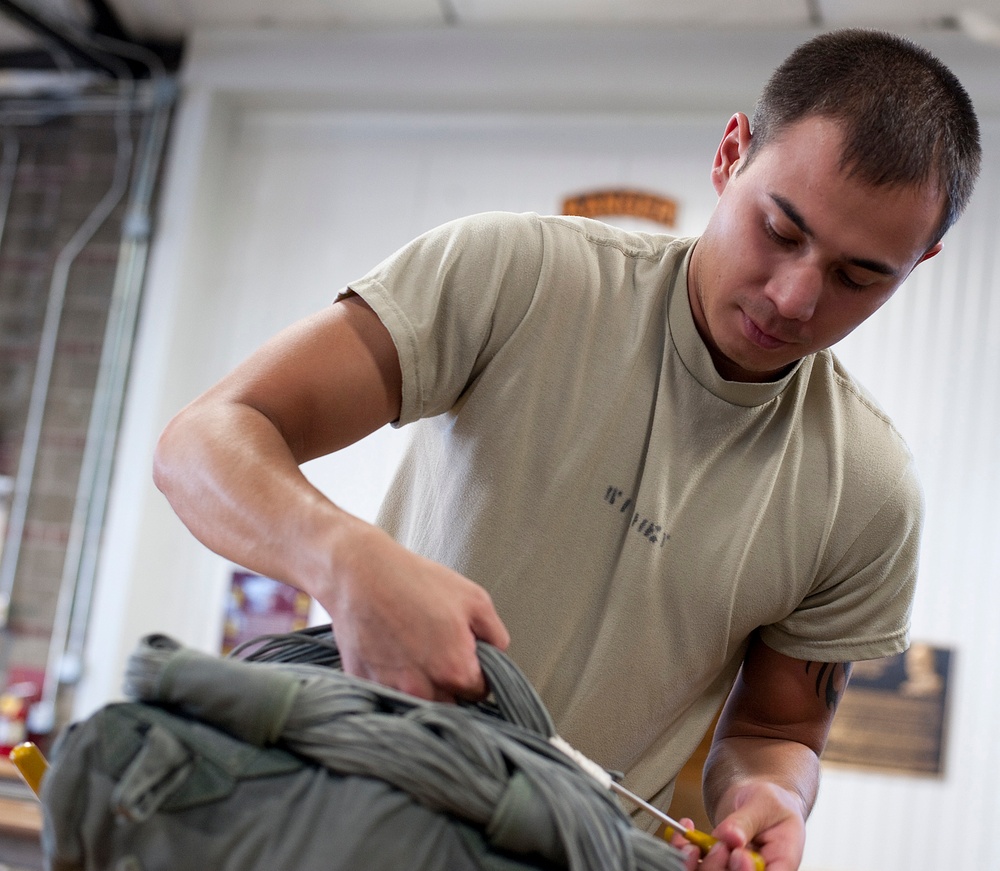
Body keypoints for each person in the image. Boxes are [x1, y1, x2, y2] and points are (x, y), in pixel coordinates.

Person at [153, 28, 980, 871]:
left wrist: (772, 793)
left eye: (859, 276)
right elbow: (204, 439)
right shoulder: (516, 276)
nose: (795, 295)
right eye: (780, 229)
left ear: (922, 261)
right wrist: (344, 559)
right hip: (338, 826)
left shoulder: (867, 492)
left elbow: (778, 728)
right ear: (732, 155)